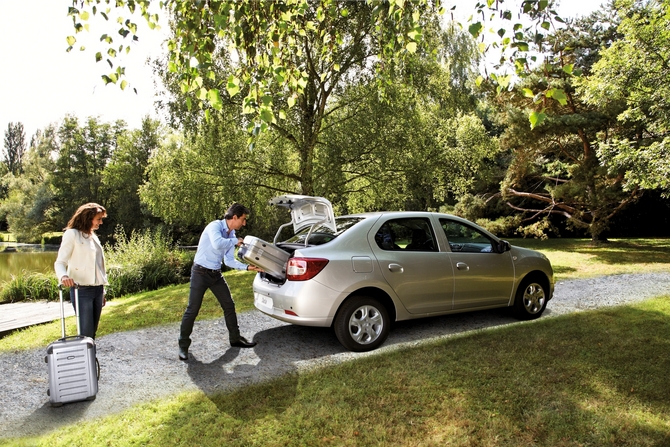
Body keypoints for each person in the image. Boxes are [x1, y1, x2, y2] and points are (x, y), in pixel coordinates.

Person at [178, 203, 263, 361]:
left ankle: (235, 339)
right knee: (192, 310)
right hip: (200, 273)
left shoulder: (231, 235)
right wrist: (235, 242)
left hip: (215, 275)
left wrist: (247, 268)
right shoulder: (214, 226)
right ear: (235, 217)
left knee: (229, 305)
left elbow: (229, 260)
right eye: (243, 219)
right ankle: (183, 346)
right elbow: (217, 243)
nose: (244, 223)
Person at [54, 203, 108, 339]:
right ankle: (85, 359)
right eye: (98, 219)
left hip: (97, 290)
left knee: (93, 332)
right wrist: (64, 276)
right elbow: (60, 262)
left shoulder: (92, 236)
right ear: (88, 218)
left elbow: (98, 265)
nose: (100, 222)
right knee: (86, 332)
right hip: (82, 290)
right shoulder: (72, 234)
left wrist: (103, 292)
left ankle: (90, 359)